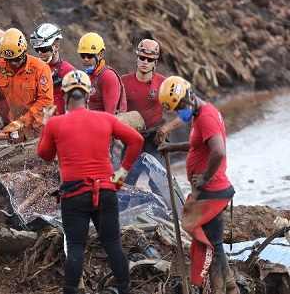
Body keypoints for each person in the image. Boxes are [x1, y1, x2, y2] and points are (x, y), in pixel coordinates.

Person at [37, 70, 143, 294]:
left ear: (65, 97)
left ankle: (71, 291)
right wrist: (122, 173)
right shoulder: (105, 118)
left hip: (74, 195)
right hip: (104, 190)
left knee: (76, 247)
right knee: (112, 243)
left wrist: (46, 124)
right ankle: (125, 289)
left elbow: (45, 155)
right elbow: (137, 139)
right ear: (88, 95)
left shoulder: (56, 124)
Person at [157, 76, 239, 293]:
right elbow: (197, 145)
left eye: (180, 106)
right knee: (213, 244)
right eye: (176, 109)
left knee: (213, 246)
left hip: (212, 191)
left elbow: (219, 151)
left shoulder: (206, 117)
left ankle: (224, 290)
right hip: (207, 191)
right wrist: (173, 147)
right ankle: (229, 286)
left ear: (189, 96)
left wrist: (205, 177)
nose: (179, 112)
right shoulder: (199, 113)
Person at [121, 39, 182, 193]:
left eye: (150, 60)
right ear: (137, 58)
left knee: (160, 185)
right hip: (132, 139)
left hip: (154, 139)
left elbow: (186, 112)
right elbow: (112, 111)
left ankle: (167, 215)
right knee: (123, 186)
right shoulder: (123, 83)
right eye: (142, 58)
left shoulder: (163, 84)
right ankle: (125, 215)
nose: (145, 62)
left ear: (155, 62)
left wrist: (165, 129)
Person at [0, 28, 54, 140]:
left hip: (38, 125)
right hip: (14, 124)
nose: (14, 63)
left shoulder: (40, 68)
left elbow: (46, 101)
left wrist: (22, 121)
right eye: (10, 60)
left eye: (17, 58)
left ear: (24, 51)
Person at [30, 23, 76, 115]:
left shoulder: (68, 71)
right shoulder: (34, 69)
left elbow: (77, 104)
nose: (40, 52)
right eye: (37, 49)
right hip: (39, 123)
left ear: (56, 47)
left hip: (61, 123)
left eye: (43, 49)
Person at [77, 32, 126, 115]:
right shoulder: (85, 75)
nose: (86, 59)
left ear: (100, 55)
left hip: (101, 125)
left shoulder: (107, 76)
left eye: (89, 55)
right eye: (82, 55)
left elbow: (110, 113)